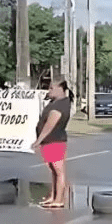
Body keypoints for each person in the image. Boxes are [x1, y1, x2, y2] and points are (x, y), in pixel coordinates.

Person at [31, 80, 73, 209]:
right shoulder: (54, 102)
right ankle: (53, 196)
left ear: (61, 89)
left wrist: (38, 141)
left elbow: (50, 124)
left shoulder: (61, 105)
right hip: (49, 141)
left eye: (51, 88)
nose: (49, 91)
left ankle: (59, 199)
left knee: (58, 170)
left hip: (55, 140)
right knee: (53, 170)